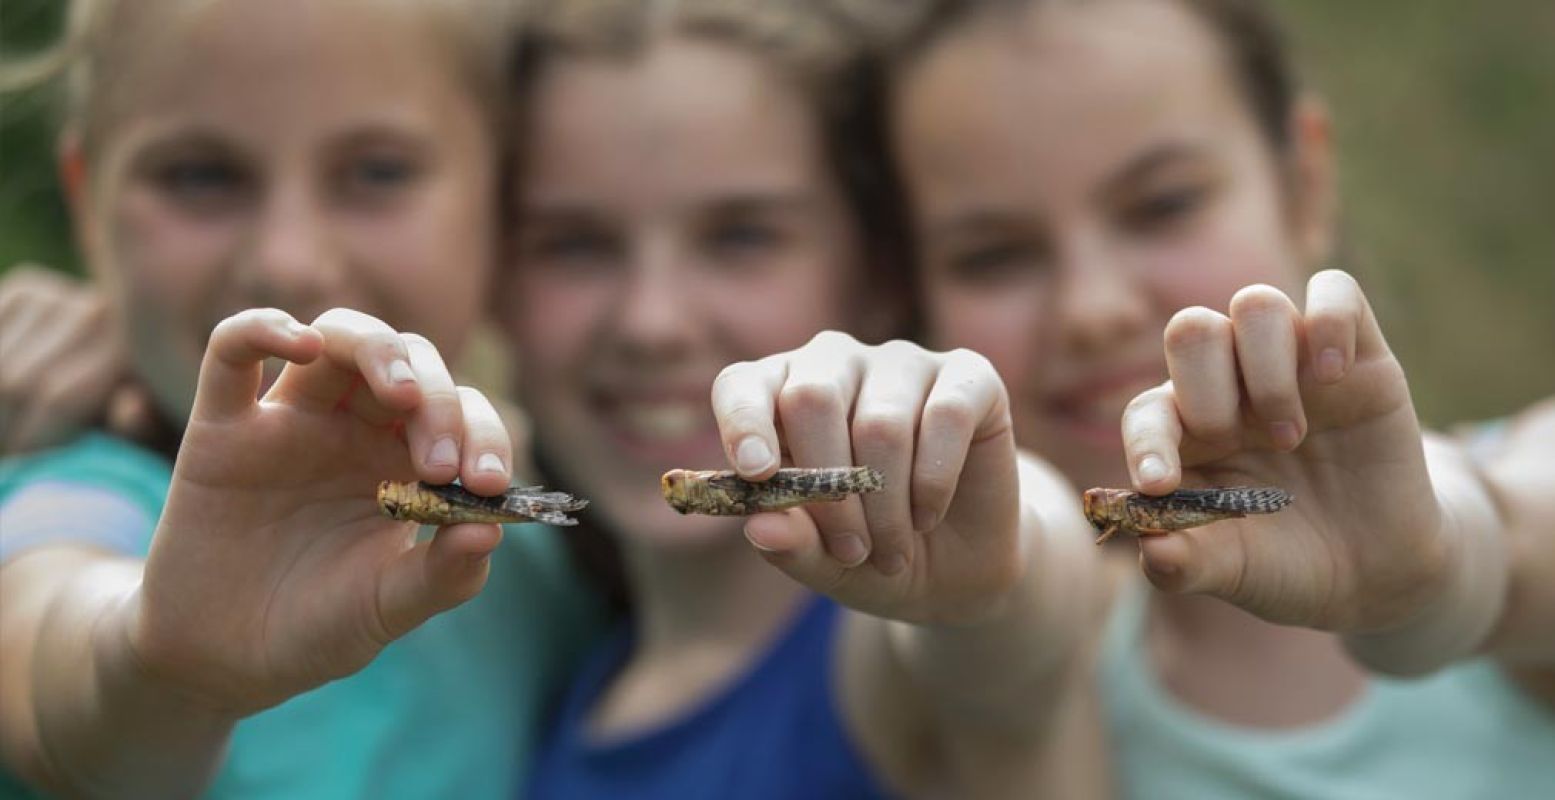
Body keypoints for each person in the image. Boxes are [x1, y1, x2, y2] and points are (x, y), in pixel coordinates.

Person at [886, 0, 1555, 795]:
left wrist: (1435, 573)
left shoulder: (1521, 482)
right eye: (992, 256)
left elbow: (1504, 540)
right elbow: (994, 635)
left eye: (1163, 204)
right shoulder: (998, 658)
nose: (1091, 309)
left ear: (1303, 183)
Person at [498, 0, 1109, 796]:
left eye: (741, 236)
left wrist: (992, 535)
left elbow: (1012, 608)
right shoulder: (549, 669)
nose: (650, 322)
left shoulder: (884, 654)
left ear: (880, 272)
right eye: (573, 245)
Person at [0, 0, 601, 796]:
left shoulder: (542, 549)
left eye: (377, 172)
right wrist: (168, 668)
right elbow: (51, 653)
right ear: (87, 201)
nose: (289, 261)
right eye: (200, 175)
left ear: (503, 198)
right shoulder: (75, 492)